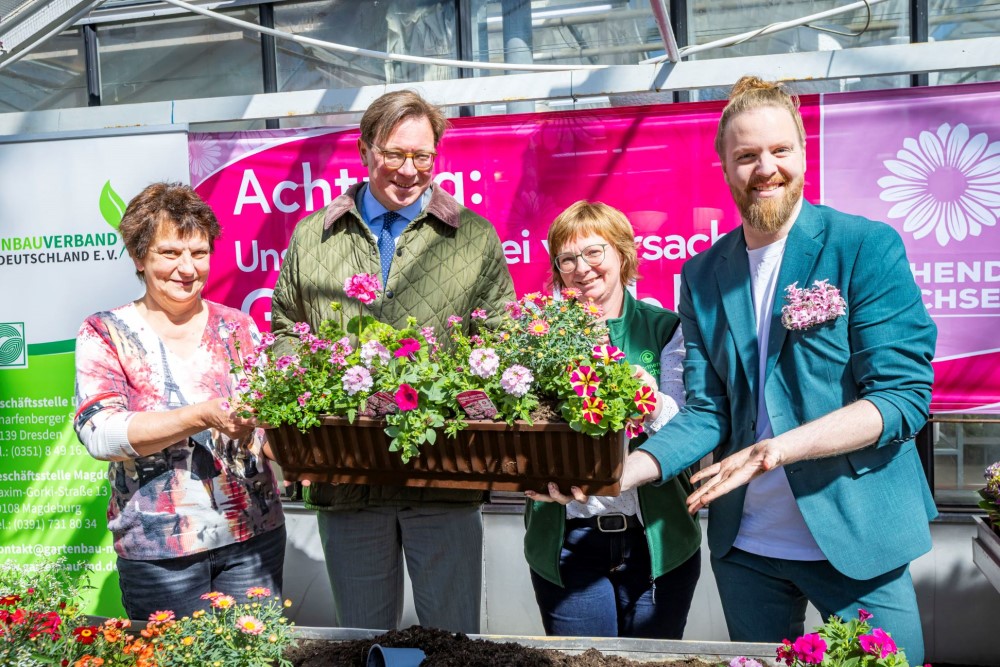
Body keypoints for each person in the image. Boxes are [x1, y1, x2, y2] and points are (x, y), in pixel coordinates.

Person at [619, 76, 937, 663]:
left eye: (779, 150)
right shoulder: (703, 274)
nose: (765, 168)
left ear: (802, 153)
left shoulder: (862, 246)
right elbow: (707, 410)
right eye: (746, 156)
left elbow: (901, 400)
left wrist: (775, 450)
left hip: (857, 534)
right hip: (748, 547)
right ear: (724, 167)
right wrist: (621, 472)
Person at [270, 89, 515, 634]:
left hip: (445, 477)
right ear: (364, 149)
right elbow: (287, 326)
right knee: (364, 640)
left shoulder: (471, 237)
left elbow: (498, 337)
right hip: (347, 476)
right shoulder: (315, 235)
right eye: (394, 154)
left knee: (452, 641)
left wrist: (466, 392)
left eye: (422, 157)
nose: (409, 170)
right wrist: (313, 386)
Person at [74, 182, 286, 620]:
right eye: (170, 253)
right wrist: (200, 415)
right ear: (138, 257)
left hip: (252, 537)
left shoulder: (238, 327)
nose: (187, 268)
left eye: (199, 253)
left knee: (258, 657)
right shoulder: (106, 332)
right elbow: (101, 434)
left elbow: (268, 427)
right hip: (161, 552)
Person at [522, 200, 701, 639]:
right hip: (569, 544)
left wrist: (650, 400)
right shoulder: (537, 337)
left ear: (622, 253)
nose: (582, 268)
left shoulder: (664, 328)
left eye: (594, 253)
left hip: (656, 540)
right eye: (567, 259)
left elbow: (690, 427)